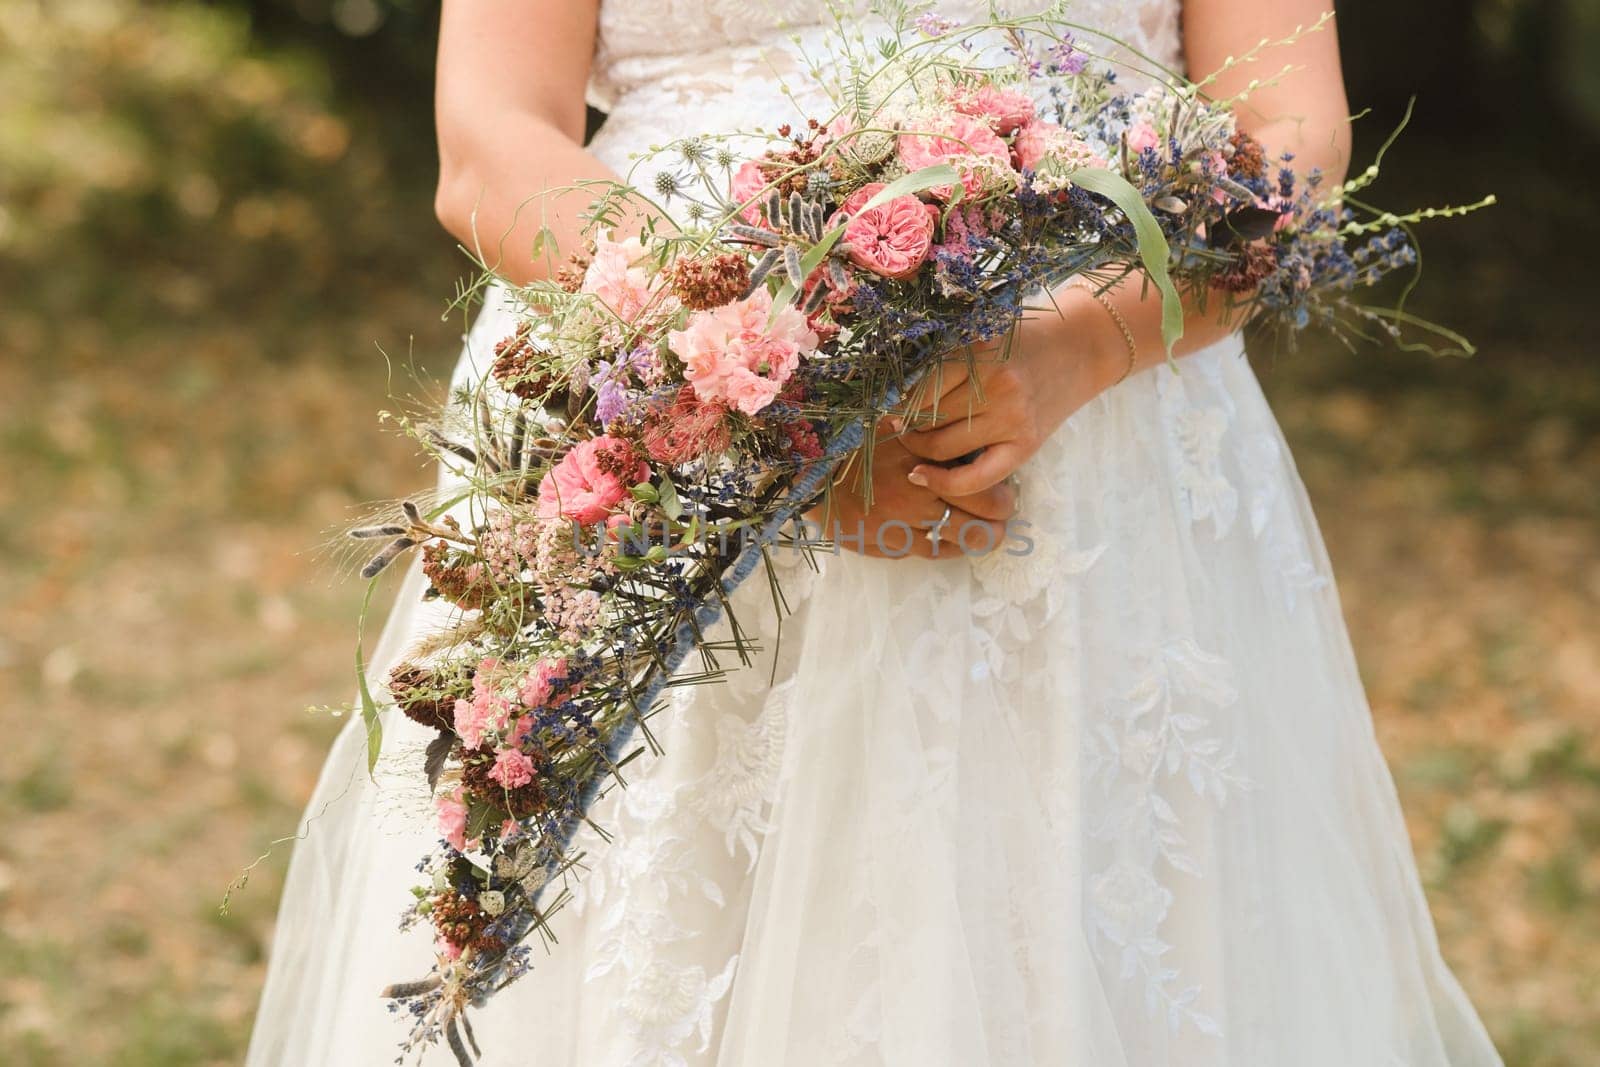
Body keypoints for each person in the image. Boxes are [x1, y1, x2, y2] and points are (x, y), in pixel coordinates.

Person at [247, 2, 1506, 1064]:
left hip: (1099, 459)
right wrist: (757, 404)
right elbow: (491, 138)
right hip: (671, 441)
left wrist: (1077, 345)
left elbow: (1293, 144)